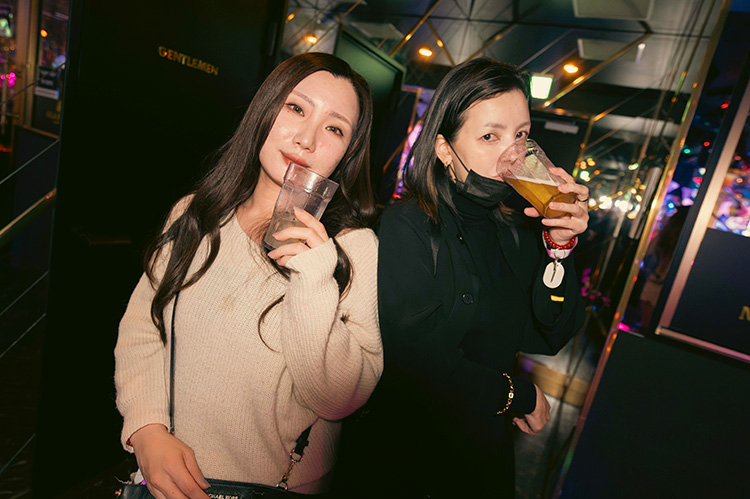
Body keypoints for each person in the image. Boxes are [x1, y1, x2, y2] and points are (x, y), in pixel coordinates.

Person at [114, 53, 383, 499]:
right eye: (295, 108)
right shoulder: (196, 213)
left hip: (273, 486)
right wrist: (146, 429)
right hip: (164, 478)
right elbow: (144, 327)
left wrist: (315, 279)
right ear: (265, 109)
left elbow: (340, 398)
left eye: (335, 128)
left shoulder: (353, 249)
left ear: (347, 153)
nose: (307, 138)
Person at [335, 58, 588, 498]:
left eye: (521, 135)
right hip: (406, 462)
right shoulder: (408, 226)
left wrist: (559, 248)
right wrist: (517, 395)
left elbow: (550, 333)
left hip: (479, 459)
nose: (513, 154)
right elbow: (416, 363)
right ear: (444, 149)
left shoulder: (516, 231)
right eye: (490, 136)